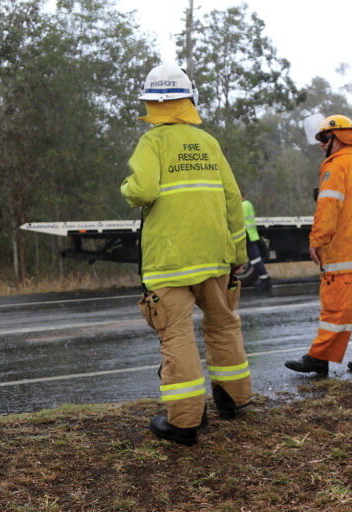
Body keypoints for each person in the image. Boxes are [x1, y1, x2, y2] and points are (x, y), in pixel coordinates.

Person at [121, 63, 253, 446]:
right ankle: (234, 400)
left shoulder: (152, 143)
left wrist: (127, 187)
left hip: (168, 262)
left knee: (176, 335)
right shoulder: (208, 142)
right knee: (223, 325)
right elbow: (232, 198)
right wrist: (238, 253)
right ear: (189, 99)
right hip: (214, 257)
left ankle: (184, 422)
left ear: (151, 102)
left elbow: (142, 191)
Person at [285, 114, 352, 375]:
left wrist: (317, 240)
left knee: (335, 309)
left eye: (324, 138)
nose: (321, 144)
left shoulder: (336, 165)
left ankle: (319, 358)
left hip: (346, 252)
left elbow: (328, 206)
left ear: (338, 137)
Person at [240, 185, 271, 289]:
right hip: (251, 234)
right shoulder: (248, 204)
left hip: (248, 235)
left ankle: (265, 280)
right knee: (255, 259)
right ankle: (264, 279)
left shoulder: (243, 205)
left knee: (255, 260)